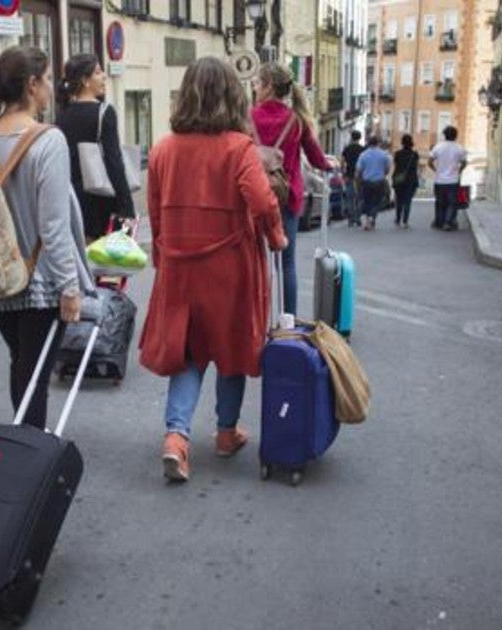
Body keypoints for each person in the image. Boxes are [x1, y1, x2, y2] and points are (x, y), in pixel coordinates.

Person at [140, 56, 287, 483]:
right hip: (229, 266)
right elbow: (261, 201)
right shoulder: (238, 148)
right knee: (231, 348)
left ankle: (176, 438)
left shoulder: (164, 148)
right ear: (231, 96)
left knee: (187, 352)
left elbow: (154, 211)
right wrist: (276, 235)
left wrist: (162, 256)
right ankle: (226, 433)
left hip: (180, 265)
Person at [0, 46, 94, 430]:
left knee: (22, 363)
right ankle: (27, 452)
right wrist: (70, 287)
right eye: (50, 79)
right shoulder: (47, 141)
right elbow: (53, 225)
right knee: (33, 372)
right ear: (33, 84)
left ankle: (24, 444)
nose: (54, 86)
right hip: (39, 279)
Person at [250, 62, 328, 317]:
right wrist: (329, 164)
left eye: (258, 83)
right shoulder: (297, 120)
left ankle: (257, 319)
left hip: (254, 196)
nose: (254, 87)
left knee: (254, 263)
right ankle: (288, 321)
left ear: (269, 86)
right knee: (287, 263)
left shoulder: (248, 117)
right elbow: (316, 158)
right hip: (287, 197)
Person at [55, 53, 135, 242]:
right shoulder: (104, 112)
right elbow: (114, 161)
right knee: (110, 262)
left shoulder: (63, 113)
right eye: (98, 72)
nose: (104, 76)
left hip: (73, 198)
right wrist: (126, 205)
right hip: (103, 198)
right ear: (85, 80)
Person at [429, 125, 468, 231]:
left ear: (444, 135)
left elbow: (429, 161)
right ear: (456, 136)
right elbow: (464, 162)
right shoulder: (459, 148)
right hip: (453, 181)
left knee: (439, 202)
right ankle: (447, 222)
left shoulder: (438, 147)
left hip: (439, 180)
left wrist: (436, 170)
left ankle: (439, 222)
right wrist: (459, 171)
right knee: (452, 202)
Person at [354, 135, 392, 231]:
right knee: (377, 202)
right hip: (379, 182)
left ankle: (368, 221)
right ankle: (372, 218)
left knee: (367, 202)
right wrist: (382, 173)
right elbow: (387, 169)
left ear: (369, 143)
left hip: (366, 182)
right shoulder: (384, 155)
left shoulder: (363, 155)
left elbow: (358, 170)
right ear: (378, 143)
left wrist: (357, 181)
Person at [391, 134, 419, 229]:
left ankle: (398, 219)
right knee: (408, 201)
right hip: (411, 180)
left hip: (399, 179)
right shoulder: (414, 154)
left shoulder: (397, 154)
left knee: (399, 200)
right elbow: (415, 168)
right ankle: (405, 221)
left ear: (402, 142)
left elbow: (396, 166)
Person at [341, 130, 365, 226]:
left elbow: (342, 162)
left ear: (351, 137)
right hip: (360, 177)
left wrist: (343, 173)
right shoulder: (363, 150)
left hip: (349, 175)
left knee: (349, 197)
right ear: (360, 138)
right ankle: (358, 218)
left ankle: (350, 219)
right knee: (359, 198)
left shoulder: (347, 149)